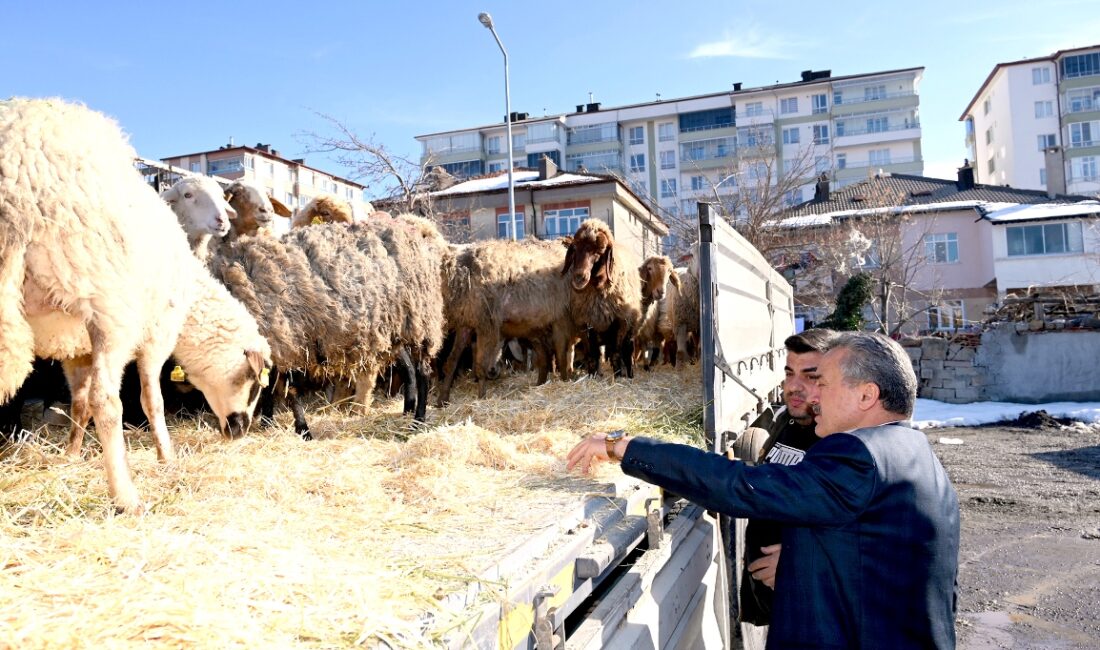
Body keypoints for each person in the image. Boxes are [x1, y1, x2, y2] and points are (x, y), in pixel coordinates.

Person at [567, 331, 960, 649]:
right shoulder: (915, 454)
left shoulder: (858, 455)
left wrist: (626, 446)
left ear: (866, 395)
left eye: (821, 382)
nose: (813, 396)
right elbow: (881, 563)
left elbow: (741, 487)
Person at [739, 328, 839, 628]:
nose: (793, 387)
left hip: (816, 614)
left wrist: (803, 560)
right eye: (789, 373)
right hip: (777, 608)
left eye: (810, 376)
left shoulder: (839, 439)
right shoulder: (787, 420)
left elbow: (873, 529)